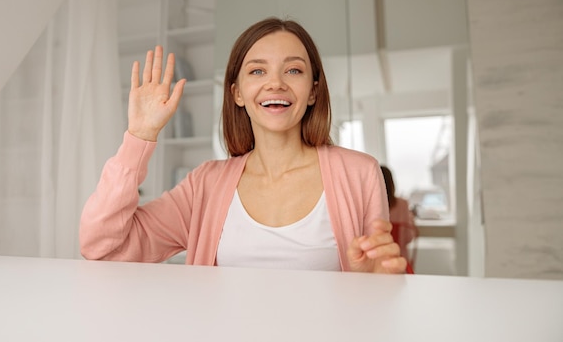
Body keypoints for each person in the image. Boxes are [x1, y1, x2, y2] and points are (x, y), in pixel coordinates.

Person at [80, 17, 406, 274]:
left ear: (313, 92)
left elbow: (375, 286)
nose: (275, 82)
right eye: (257, 70)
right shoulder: (205, 185)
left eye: (293, 69)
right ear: (237, 93)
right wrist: (139, 136)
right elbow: (102, 247)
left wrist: (377, 281)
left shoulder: (360, 174)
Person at [380, 165, 417, 261]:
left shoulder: (368, 206)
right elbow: (409, 237)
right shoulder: (403, 204)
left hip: (378, 261)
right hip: (400, 261)